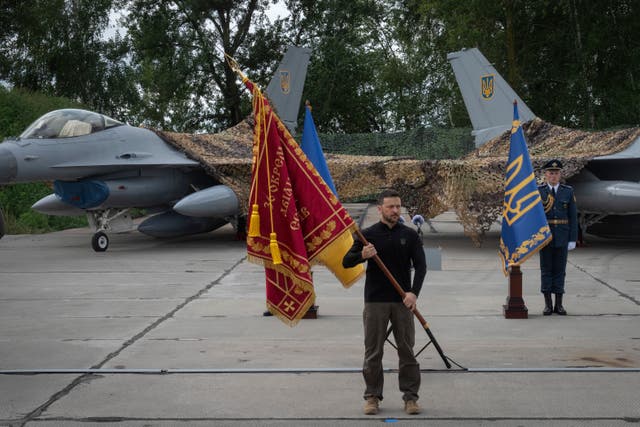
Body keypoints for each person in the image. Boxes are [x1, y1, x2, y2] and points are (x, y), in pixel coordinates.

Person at [342, 189, 427, 415]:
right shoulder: (366, 235)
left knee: (407, 351)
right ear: (380, 209)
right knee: (373, 353)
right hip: (375, 302)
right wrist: (363, 255)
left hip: (402, 301)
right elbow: (346, 261)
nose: (395, 211)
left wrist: (413, 293)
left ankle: (410, 398)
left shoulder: (409, 235)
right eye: (390, 207)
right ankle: (372, 397)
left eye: (398, 206)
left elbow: (421, 266)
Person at [538, 159, 578, 316]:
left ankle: (559, 305)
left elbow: (573, 217)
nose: (553, 176)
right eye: (550, 173)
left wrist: (572, 238)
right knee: (546, 269)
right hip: (545, 237)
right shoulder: (539, 191)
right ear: (545, 174)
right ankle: (548, 305)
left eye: (556, 173)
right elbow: (535, 216)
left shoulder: (567, 191)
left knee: (560, 270)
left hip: (562, 236)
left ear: (560, 174)